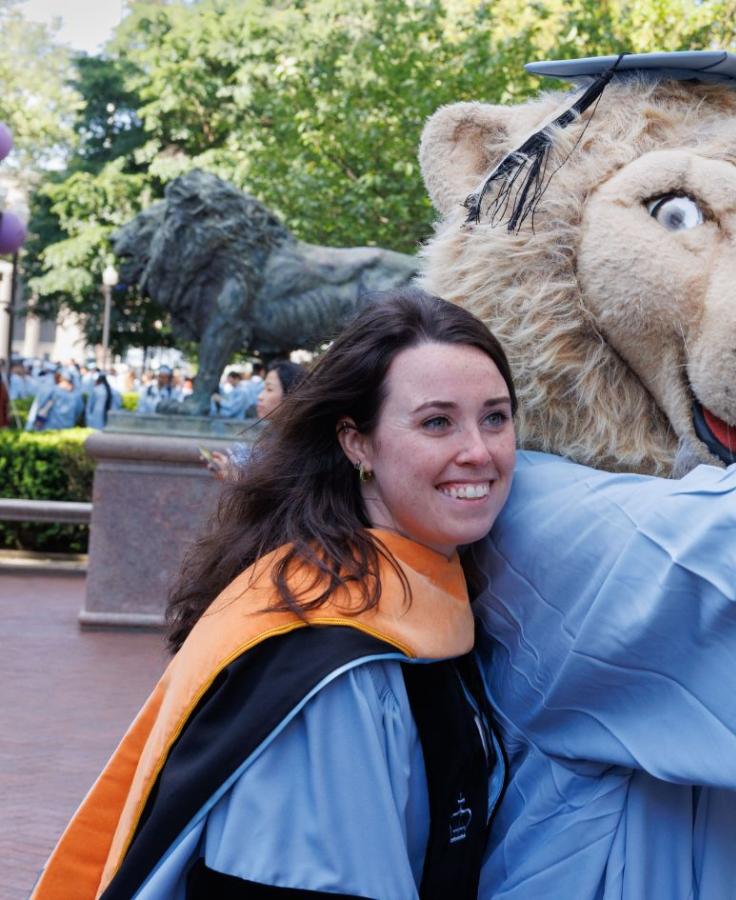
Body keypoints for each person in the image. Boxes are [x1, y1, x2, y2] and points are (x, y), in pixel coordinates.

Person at [31, 289, 516, 899]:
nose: (478, 451)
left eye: (495, 417)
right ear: (356, 442)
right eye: (437, 422)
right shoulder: (327, 660)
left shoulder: (404, 587)